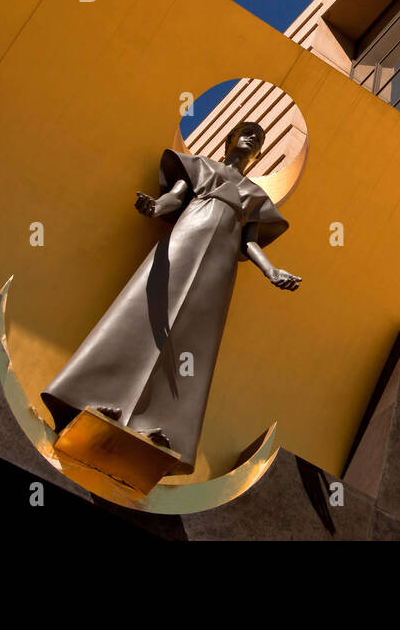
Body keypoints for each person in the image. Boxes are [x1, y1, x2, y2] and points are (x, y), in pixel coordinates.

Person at [41, 121, 301, 475]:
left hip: (219, 271)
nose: (252, 137)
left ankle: (160, 430)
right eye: (246, 132)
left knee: (191, 343)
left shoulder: (254, 195)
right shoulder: (200, 167)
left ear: (258, 156)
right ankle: (98, 400)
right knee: (143, 318)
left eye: (259, 139)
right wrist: (156, 207)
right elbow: (176, 198)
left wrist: (272, 271)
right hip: (181, 246)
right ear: (229, 139)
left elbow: (249, 240)